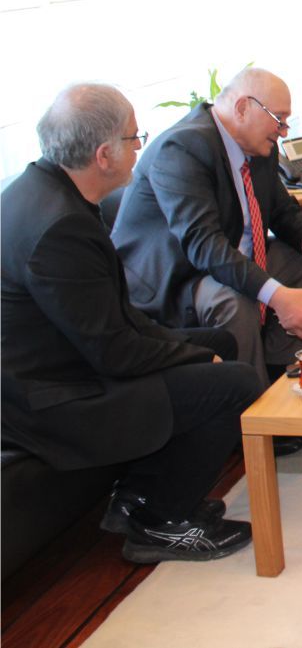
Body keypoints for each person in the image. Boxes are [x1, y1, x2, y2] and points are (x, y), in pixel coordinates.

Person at [2, 84, 262, 563]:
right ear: (103, 155)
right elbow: (115, 352)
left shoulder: (42, 190)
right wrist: (198, 357)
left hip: (72, 361)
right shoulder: (60, 228)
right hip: (57, 399)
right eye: (134, 138)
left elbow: (113, 322)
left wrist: (199, 350)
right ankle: (160, 523)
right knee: (236, 382)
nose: (140, 148)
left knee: (219, 341)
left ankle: (137, 496)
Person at [112, 68, 302, 387]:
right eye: (279, 118)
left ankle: (283, 373)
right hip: (179, 279)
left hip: (230, 258)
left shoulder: (258, 144)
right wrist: (277, 296)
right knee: (235, 302)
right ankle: (252, 404)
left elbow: (282, 209)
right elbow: (204, 246)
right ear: (243, 107)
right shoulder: (182, 148)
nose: (284, 130)